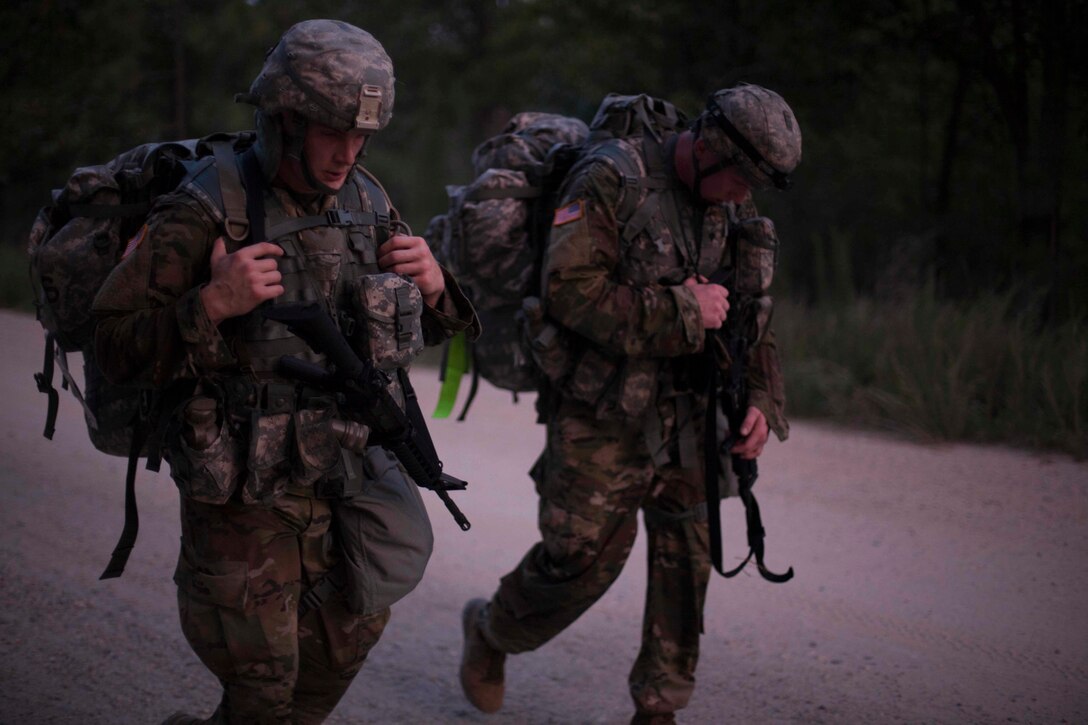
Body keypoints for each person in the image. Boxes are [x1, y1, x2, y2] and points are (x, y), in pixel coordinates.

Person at [93, 19, 478, 724]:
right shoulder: (207, 205)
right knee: (265, 683)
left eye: (361, 136)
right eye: (333, 132)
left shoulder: (365, 198)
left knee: (344, 642)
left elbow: (406, 330)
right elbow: (111, 341)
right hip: (242, 492)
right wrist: (211, 303)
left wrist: (435, 288)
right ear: (286, 117)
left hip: (339, 473)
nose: (348, 153)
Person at [458, 84, 802, 724]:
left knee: (686, 565)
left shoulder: (727, 205)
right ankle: (491, 632)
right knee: (578, 567)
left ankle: (658, 708)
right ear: (707, 148)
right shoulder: (610, 177)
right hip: (602, 413)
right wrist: (681, 311)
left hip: (693, 413)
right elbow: (568, 293)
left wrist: (759, 397)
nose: (742, 196)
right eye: (739, 179)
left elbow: (749, 313)